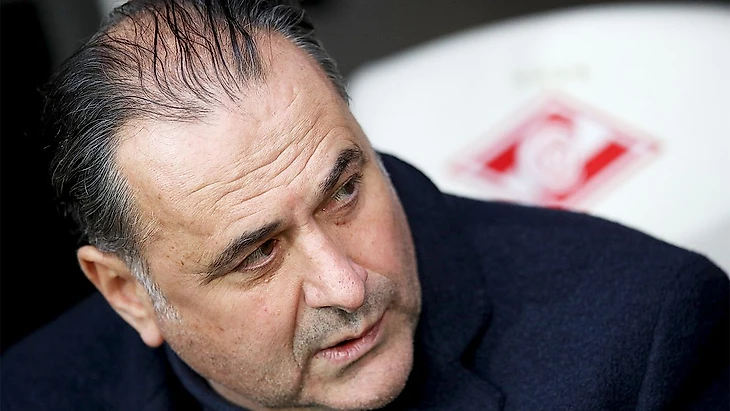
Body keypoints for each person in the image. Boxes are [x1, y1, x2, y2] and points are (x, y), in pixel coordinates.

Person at [2, 0, 728, 409]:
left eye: (344, 191)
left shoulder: (643, 338)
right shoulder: (29, 391)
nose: (346, 286)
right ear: (128, 293)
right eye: (259, 253)